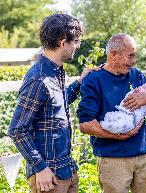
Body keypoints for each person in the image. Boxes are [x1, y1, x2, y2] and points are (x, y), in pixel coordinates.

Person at [8, 13, 94, 193]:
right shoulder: (39, 79)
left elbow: (57, 105)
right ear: (63, 42)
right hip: (49, 178)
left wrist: (79, 82)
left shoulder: (55, 72)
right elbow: (17, 130)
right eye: (76, 41)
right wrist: (40, 168)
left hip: (67, 170)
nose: (77, 46)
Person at [78, 33, 146, 193]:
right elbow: (85, 125)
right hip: (113, 160)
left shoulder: (137, 75)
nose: (134, 61)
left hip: (143, 156)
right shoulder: (94, 79)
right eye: (130, 56)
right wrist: (119, 136)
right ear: (113, 54)